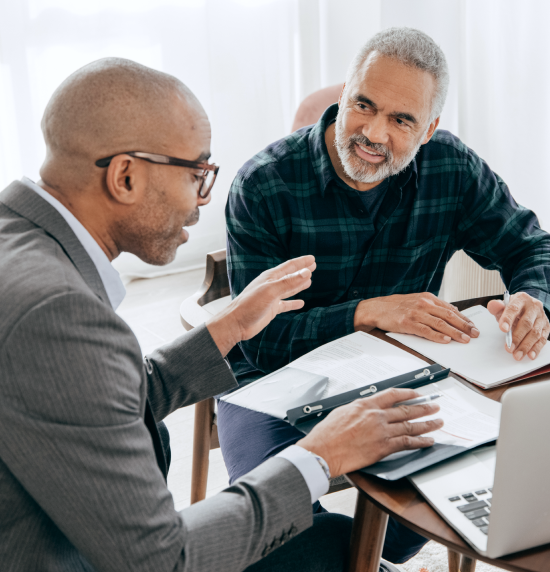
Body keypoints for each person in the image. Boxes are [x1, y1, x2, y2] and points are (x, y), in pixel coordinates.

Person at [0, 58, 444, 572]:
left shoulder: (22, 244)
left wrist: (229, 326)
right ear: (125, 176)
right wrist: (321, 456)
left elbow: (94, 398)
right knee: (337, 549)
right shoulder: (58, 312)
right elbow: (164, 560)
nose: (200, 204)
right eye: (197, 175)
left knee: (334, 541)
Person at [221, 27, 550, 565]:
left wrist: (534, 298)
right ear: (344, 93)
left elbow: (534, 248)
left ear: (429, 129)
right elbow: (261, 341)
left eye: (401, 120)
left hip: (401, 370)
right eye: (363, 105)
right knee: (273, 528)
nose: (373, 133)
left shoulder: (450, 167)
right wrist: (364, 314)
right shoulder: (264, 184)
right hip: (271, 382)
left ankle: (374, 555)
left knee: (451, 503)